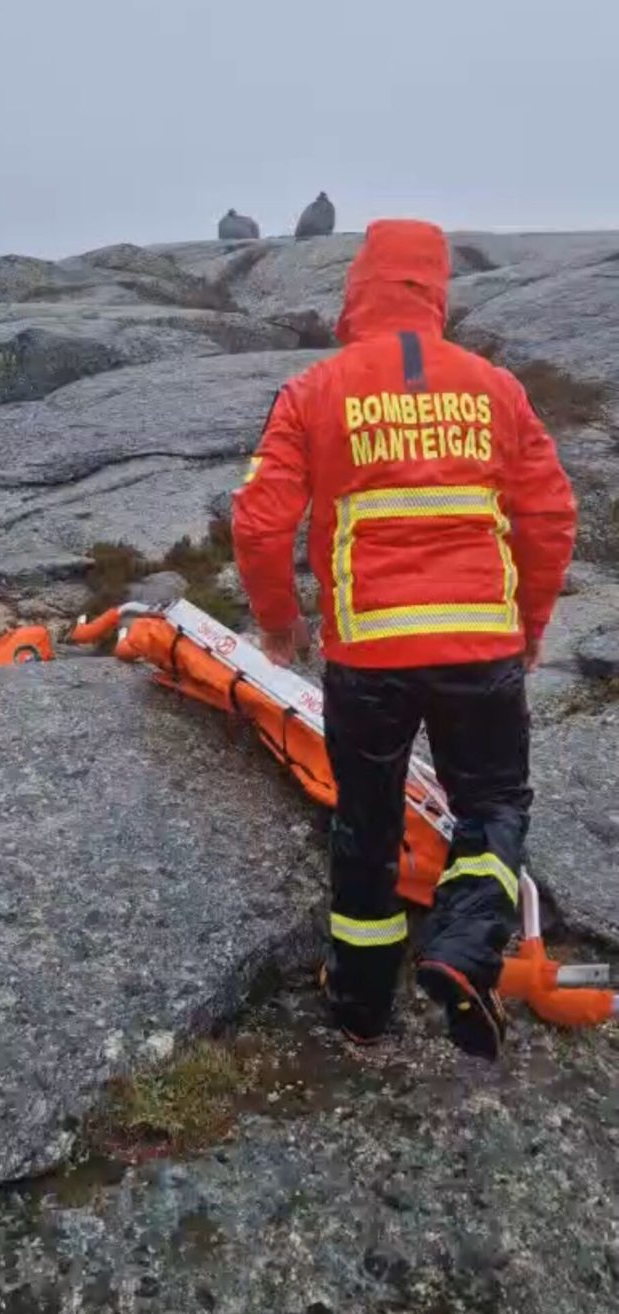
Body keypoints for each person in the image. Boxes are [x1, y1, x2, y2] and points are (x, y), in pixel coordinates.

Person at [231, 219, 576, 1061]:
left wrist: (278, 620)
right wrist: (530, 625)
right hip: (480, 651)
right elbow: (549, 514)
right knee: (491, 806)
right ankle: (462, 946)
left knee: (367, 822)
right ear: (437, 292)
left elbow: (259, 522)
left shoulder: (315, 388)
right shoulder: (496, 389)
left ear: (358, 288)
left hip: (369, 658)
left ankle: (361, 1005)